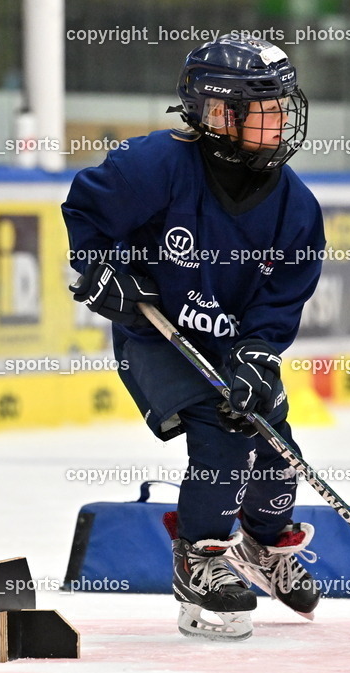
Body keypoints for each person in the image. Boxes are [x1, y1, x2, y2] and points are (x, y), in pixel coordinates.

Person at [62, 36, 325, 640]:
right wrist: (100, 270)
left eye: (282, 107)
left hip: (232, 345)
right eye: (264, 110)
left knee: (277, 449)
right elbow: (86, 213)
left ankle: (264, 546)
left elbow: (280, 300)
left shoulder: (297, 209)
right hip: (158, 335)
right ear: (217, 115)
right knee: (224, 433)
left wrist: (258, 358)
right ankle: (200, 558)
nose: (280, 121)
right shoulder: (155, 165)